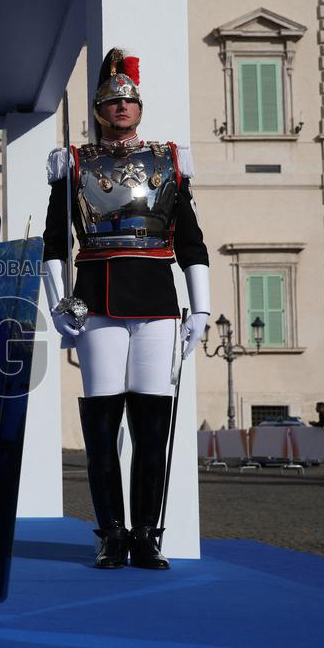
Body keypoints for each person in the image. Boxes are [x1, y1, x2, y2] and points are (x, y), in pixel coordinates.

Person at [42, 48, 210, 570]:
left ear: (140, 108)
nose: (120, 106)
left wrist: (201, 310)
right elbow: (53, 242)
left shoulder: (169, 161)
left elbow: (192, 244)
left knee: (151, 426)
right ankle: (111, 534)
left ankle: (146, 534)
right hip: (97, 299)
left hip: (158, 301)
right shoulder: (73, 164)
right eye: (111, 100)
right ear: (97, 108)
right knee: (101, 423)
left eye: (128, 100)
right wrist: (57, 304)